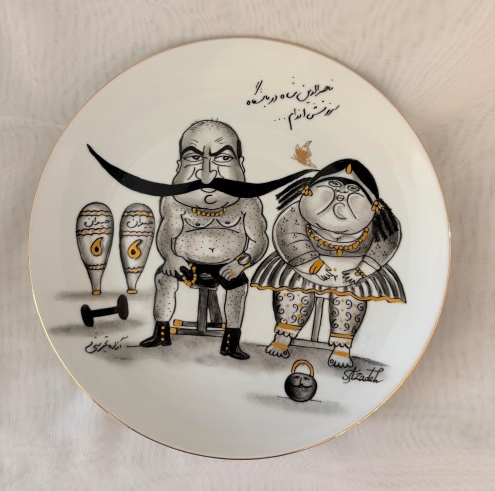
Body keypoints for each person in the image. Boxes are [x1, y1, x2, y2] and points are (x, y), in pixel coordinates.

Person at [251, 159, 406, 367]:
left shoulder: (382, 222)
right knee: (293, 292)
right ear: (308, 191)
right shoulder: (295, 213)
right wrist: (312, 265)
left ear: (374, 205)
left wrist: (363, 270)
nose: (341, 195)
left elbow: (385, 244)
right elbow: (288, 236)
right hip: (303, 265)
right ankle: (283, 337)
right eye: (333, 185)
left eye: (353, 189)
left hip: (353, 269)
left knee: (350, 300)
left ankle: (342, 346)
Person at [139, 120, 268, 360]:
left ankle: (231, 340)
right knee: (164, 279)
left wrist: (241, 263)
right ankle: (161, 331)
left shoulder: (248, 202)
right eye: (194, 157)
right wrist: (171, 257)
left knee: (238, 288)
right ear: (179, 165)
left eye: (223, 158)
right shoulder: (173, 200)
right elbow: (166, 235)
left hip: (229, 265)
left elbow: (258, 241)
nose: (207, 174)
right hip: (186, 264)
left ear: (240, 165)